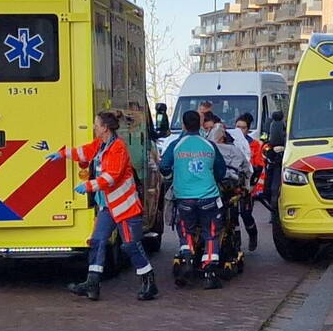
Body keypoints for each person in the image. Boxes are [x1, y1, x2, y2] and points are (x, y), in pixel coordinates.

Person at [48, 111, 158, 302]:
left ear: (105, 128)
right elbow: (84, 152)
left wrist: (88, 186)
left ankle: (149, 281)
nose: (93, 127)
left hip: (124, 207)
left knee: (131, 245)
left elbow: (111, 177)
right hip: (108, 206)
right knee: (97, 241)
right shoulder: (101, 145)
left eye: (96, 124)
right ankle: (92, 284)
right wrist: (62, 153)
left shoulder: (118, 148)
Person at [160, 110, 227, 290]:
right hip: (209, 198)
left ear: (183, 124)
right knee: (211, 233)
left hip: (185, 199)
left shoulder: (176, 145)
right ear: (201, 124)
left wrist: (176, 174)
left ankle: (188, 259)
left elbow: (164, 166)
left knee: (186, 231)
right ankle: (210, 275)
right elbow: (221, 171)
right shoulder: (209, 145)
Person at [235, 115, 264, 250]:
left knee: (246, 214)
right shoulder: (230, 143)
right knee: (232, 215)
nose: (240, 130)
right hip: (233, 183)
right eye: (238, 127)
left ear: (248, 129)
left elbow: (258, 166)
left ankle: (253, 234)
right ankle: (236, 243)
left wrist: (252, 185)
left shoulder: (255, 145)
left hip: (248, 184)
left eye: (243, 127)